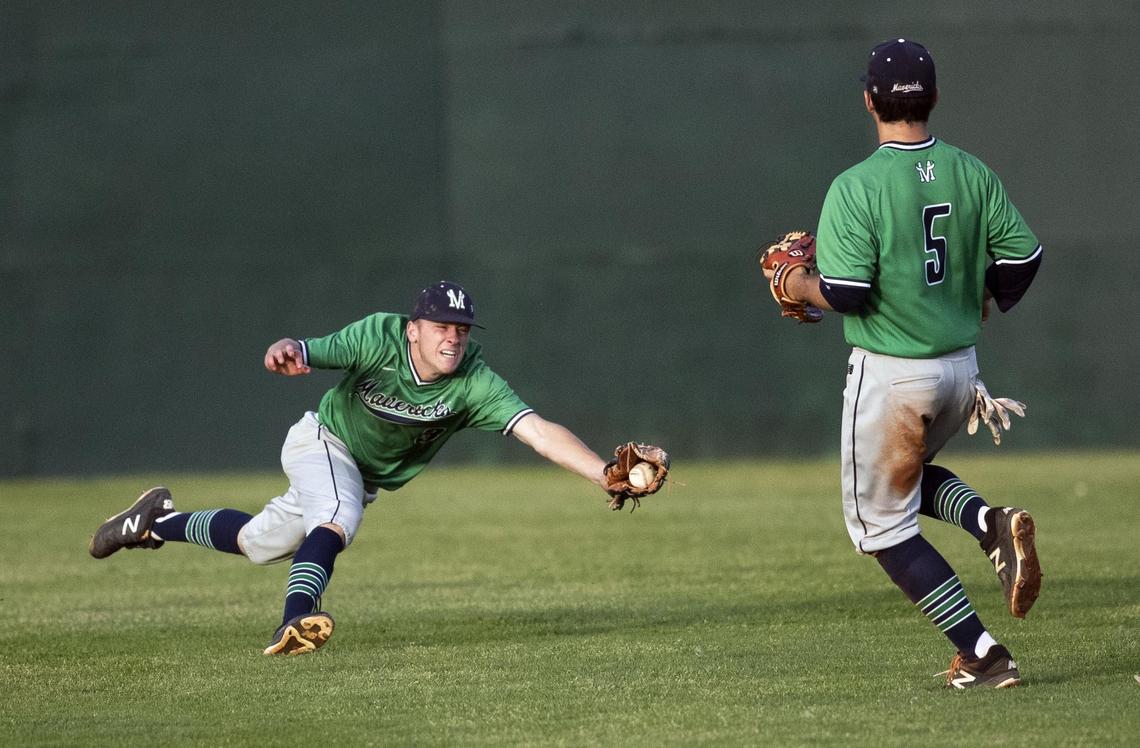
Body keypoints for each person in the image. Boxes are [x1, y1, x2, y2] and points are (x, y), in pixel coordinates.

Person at [90, 281, 655, 655]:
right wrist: (288, 347)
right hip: (320, 441)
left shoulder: (474, 381)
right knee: (336, 517)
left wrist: (603, 469)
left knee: (256, 542)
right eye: (440, 327)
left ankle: (154, 521)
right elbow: (308, 350)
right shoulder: (378, 336)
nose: (452, 337)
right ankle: (296, 617)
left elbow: (538, 431)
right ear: (414, 328)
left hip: (361, 475)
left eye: (460, 329)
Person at [764, 39, 1044, 688]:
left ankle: (981, 652)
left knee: (882, 530)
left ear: (869, 101)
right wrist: (984, 300)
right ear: (935, 97)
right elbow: (1024, 258)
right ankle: (988, 522)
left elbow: (849, 293)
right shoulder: (971, 172)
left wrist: (796, 284)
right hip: (961, 374)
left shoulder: (856, 186)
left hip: (892, 377)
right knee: (911, 479)